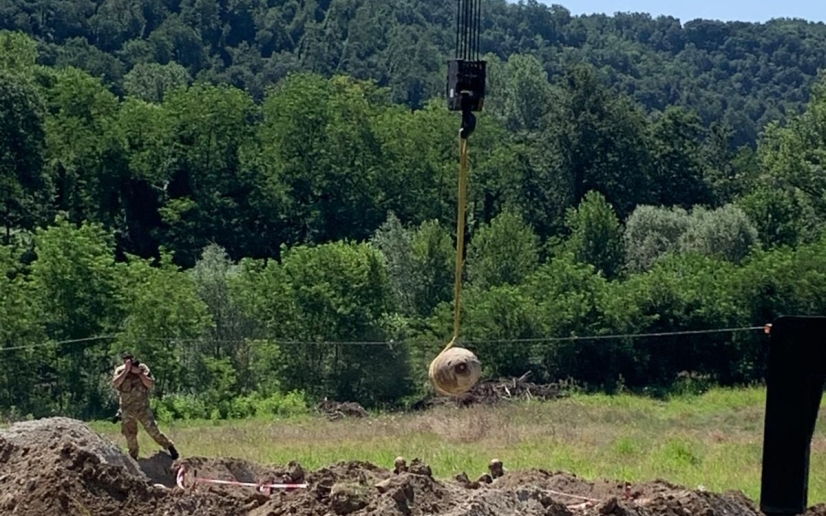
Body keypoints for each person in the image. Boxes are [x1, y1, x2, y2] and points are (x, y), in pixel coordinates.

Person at [112, 351, 179, 461]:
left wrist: (139, 373)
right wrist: (126, 371)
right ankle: (133, 457)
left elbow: (150, 384)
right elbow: (115, 384)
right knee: (130, 435)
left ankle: (169, 446)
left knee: (153, 431)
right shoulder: (120, 370)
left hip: (142, 408)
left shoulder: (142, 368)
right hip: (127, 409)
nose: (128, 361)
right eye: (126, 359)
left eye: (130, 358)